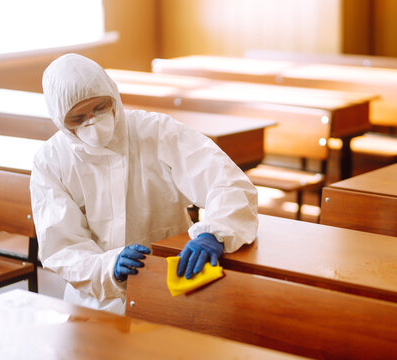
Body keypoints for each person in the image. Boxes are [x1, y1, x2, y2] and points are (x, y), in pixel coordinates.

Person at [30, 53, 258, 315]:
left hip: (176, 276)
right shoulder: (51, 161)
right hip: (97, 299)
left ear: (113, 96)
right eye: (77, 118)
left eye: (99, 107)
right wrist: (108, 267)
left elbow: (228, 182)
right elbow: (62, 247)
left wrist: (215, 232)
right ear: (60, 120)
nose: (91, 121)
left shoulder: (156, 131)